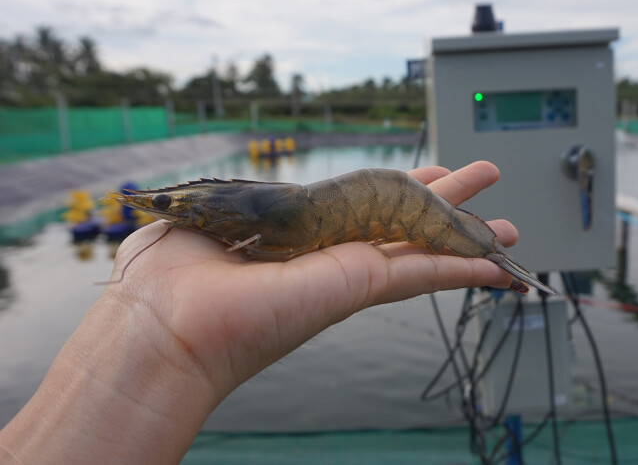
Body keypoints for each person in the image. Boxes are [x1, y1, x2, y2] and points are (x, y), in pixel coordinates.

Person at [0, 161, 520, 464]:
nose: (170, 213)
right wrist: (148, 319)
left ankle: (485, 249)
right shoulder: (232, 210)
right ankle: (491, 252)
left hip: (389, 204)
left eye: (173, 208)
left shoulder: (256, 216)